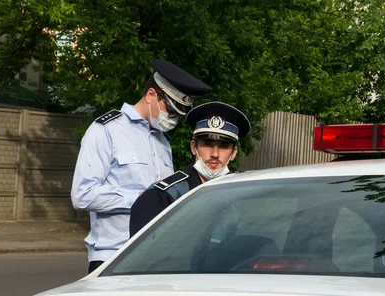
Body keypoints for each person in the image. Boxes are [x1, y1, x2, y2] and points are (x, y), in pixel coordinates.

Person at [71, 59, 211, 273]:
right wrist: (141, 200)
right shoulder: (106, 130)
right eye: (170, 111)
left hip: (153, 256)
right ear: (151, 95)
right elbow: (82, 194)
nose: (172, 119)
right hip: (113, 256)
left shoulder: (162, 142)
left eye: (177, 116)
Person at [129, 101, 251, 237]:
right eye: (207, 144)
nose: (215, 154)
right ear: (194, 147)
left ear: (233, 153)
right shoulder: (163, 197)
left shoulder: (235, 196)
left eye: (223, 146)